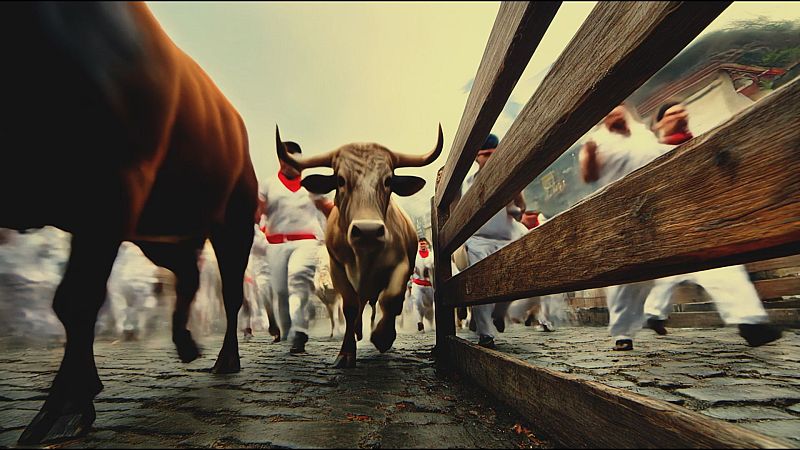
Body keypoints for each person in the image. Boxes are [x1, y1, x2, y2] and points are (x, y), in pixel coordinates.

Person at [580, 103, 781, 350]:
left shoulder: (643, 134)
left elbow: (661, 155)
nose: (616, 114)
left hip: (664, 208)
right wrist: (590, 153)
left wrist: (684, 141)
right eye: (610, 112)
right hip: (624, 217)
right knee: (628, 282)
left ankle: (750, 322)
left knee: (716, 257)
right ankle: (623, 334)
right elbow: (588, 176)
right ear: (603, 119)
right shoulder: (596, 141)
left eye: (620, 110)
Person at [258, 140, 334, 354]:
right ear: (281, 160)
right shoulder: (267, 184)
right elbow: (257, 212)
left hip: (306, 241)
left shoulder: (311, 185)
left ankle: (299, 333)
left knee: (298, 280)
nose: (293, 164)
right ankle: (288, 330)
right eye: (289, 160)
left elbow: (328, 208)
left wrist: (346, 210)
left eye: (297, 160)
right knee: (281, 291)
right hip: (275, 244)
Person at [459, 133, 526, 349]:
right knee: (481, 285)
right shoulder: (467, 183)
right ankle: (486, 334)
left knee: (511, 283)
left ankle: (499, 314)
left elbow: (520, 210)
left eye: (492, 154)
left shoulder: (510, 175)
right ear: (477, 158)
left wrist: (516, 192)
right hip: (479, 239)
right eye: (484, 155)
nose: (487, 159)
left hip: (507, 237)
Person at [410, 237, 435, 332]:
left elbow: (432, 265)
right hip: (417, 284)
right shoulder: (415, 255)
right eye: (421, 244)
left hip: (428, 284)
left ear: (427, 245)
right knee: (417, 303)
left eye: (424, 244)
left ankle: (430, 323)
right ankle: (419, 323)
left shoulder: (431, 255)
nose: (422, 245)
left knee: (429, 305)